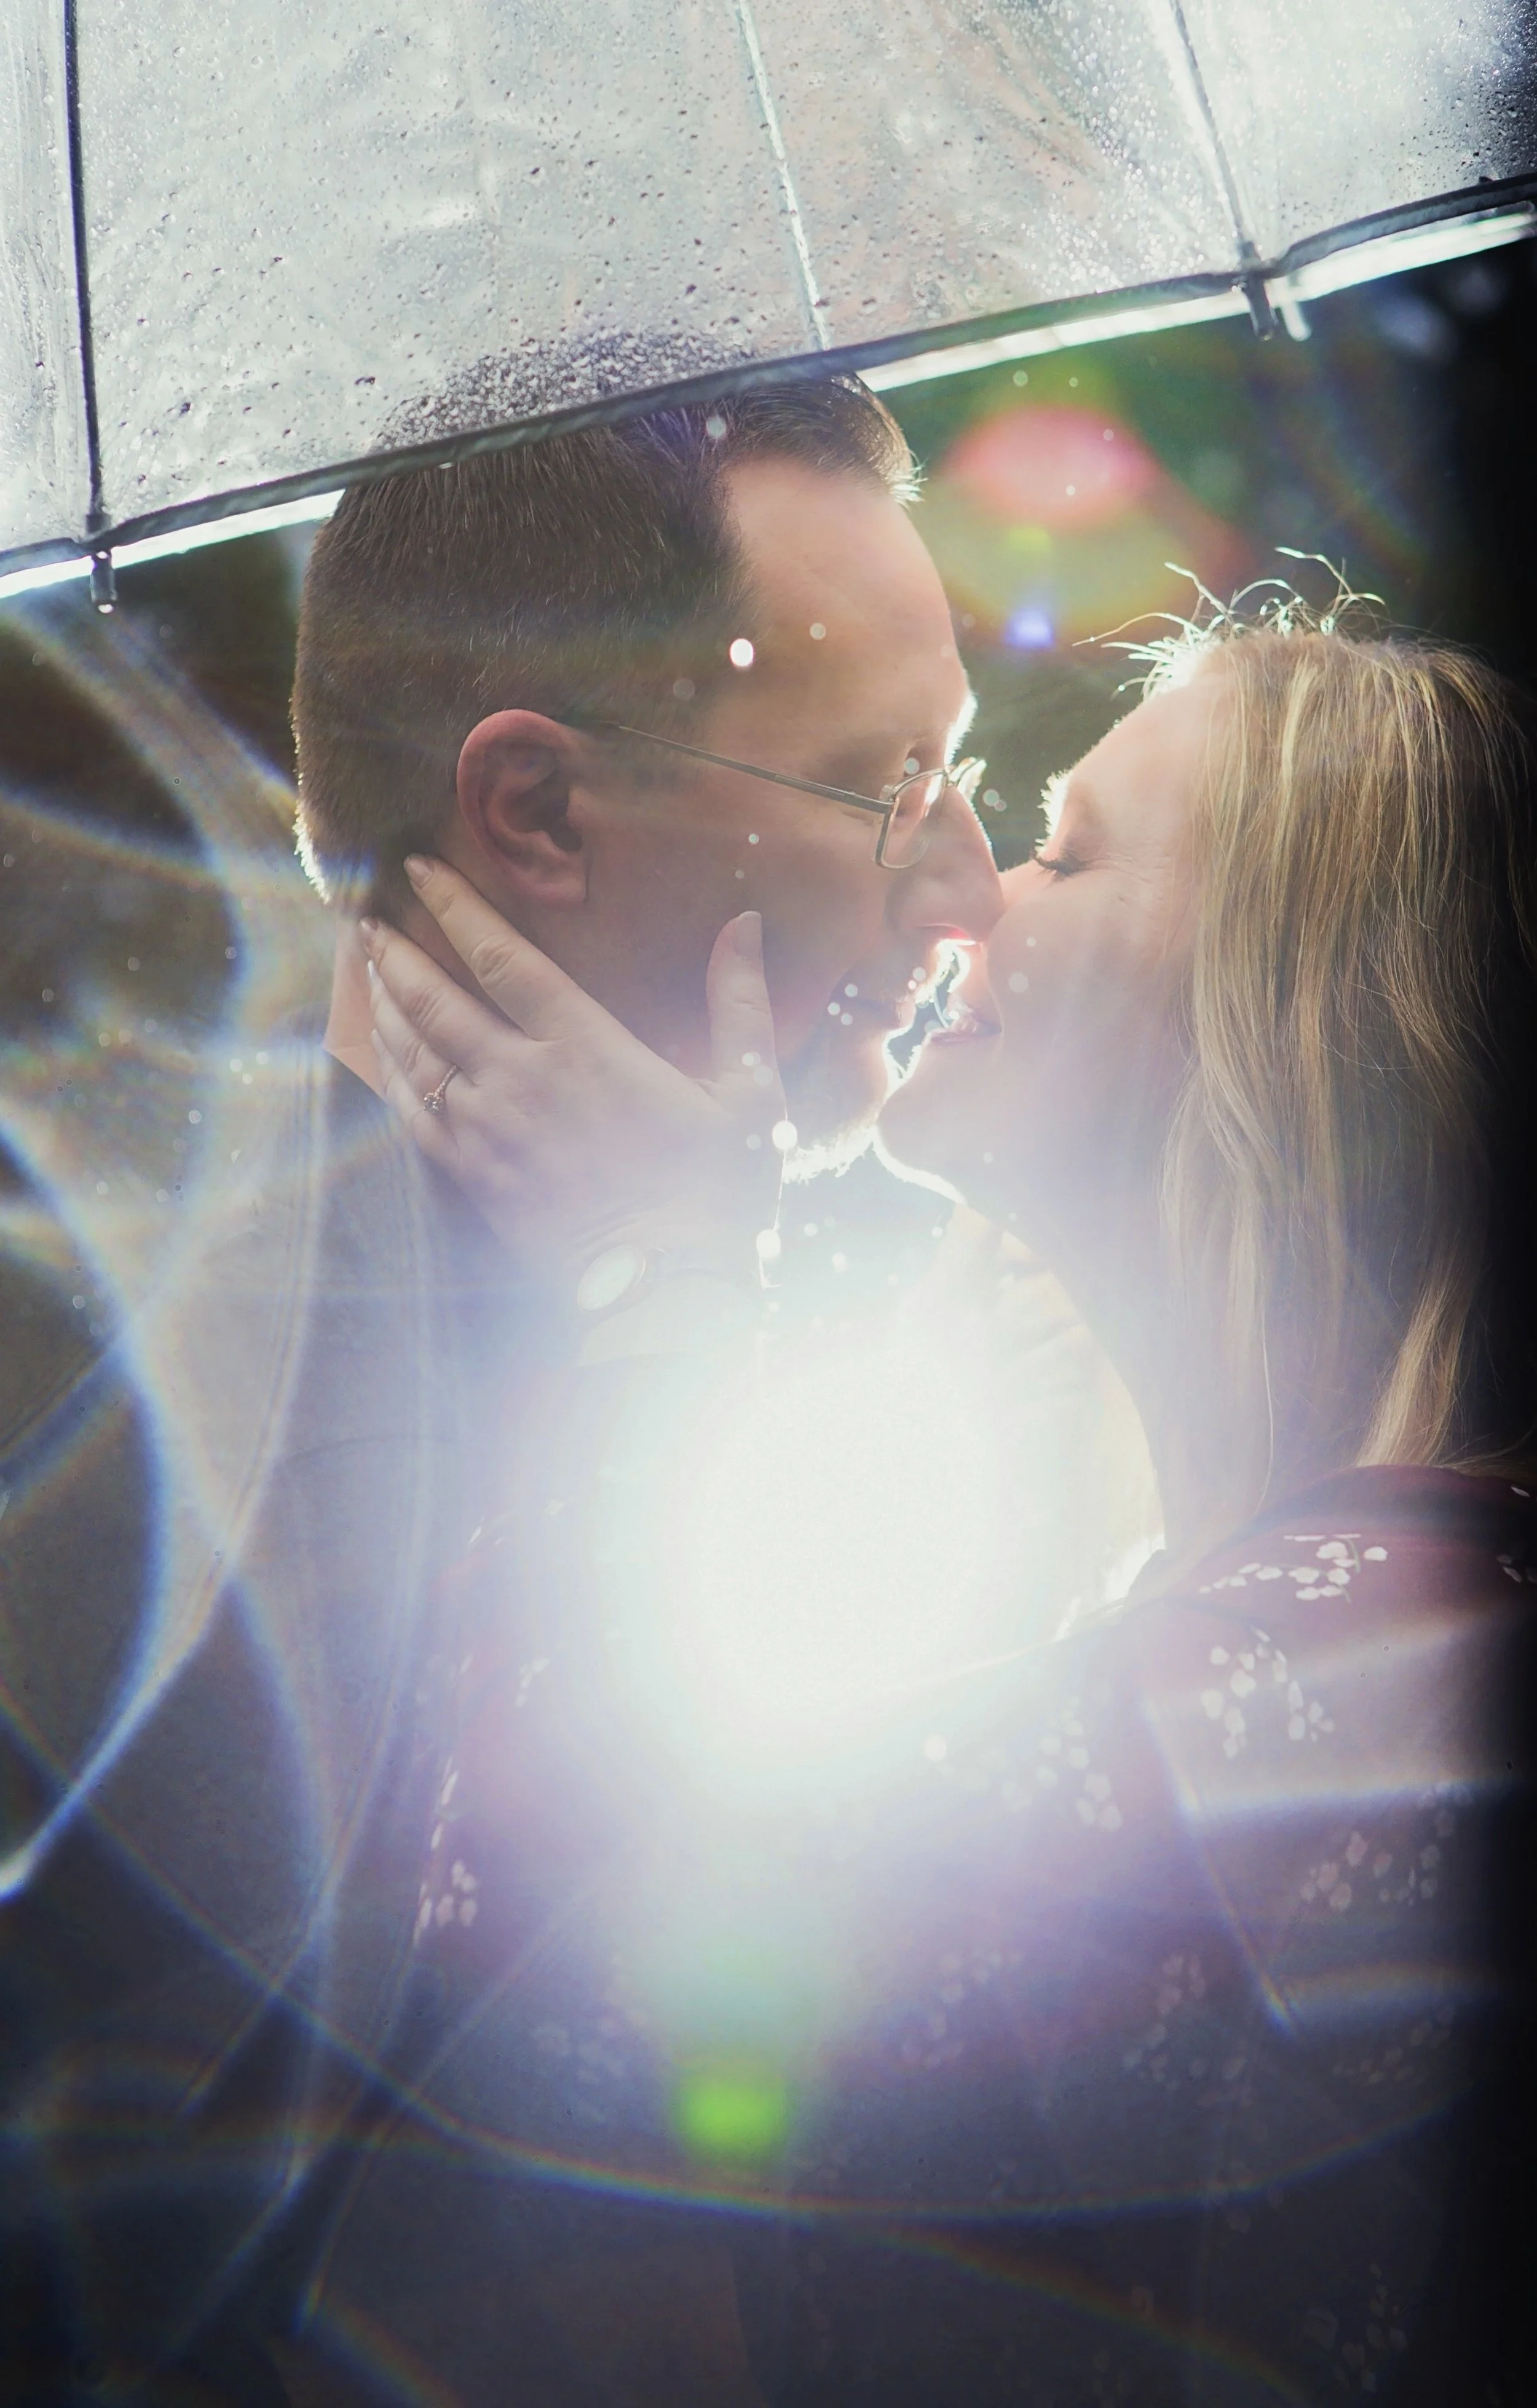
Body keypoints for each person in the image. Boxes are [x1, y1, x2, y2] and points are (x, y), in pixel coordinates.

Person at [357, 603, 1537, 2403]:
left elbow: (568, 2053)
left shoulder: (1402, 1639)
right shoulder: (1299, 1605)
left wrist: (650, 1293)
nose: (965, 899)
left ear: (1298, 993)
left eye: (1061, 852)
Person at [0, 365, 1004, 2407]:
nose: (964, 887)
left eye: (968, 771)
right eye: (883, 784)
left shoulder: (844, 1297)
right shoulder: (89, 1376)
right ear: (535, 808)